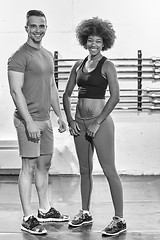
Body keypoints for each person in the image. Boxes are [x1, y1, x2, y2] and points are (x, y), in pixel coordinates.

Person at [63, 17, 127, 237]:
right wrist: (71, 120)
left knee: (109, 170)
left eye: (98, 41)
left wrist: (98, 122)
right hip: (79, 125)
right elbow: (67, 94)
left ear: (104, 42)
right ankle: (85, 212)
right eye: (90, 40)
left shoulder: (107, 65)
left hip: (100, 125)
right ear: (85, 41)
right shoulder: (78, 65)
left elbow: (115, 97)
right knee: (84, 170)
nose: (94, 44)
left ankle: (119, 219)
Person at [8, 10, 69, 235]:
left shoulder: (46, 54)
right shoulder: (19, 56)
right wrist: (29, 122)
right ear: (26, 28)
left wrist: (60, 115)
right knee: (28, 167)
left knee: (44, 166)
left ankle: (44, 209)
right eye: (33, 26)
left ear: (46, 27)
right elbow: (15, 91)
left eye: (41, 26)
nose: (37, 30)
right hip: (28, 122)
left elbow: (52, 87)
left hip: (45, 121)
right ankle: (27, 217)